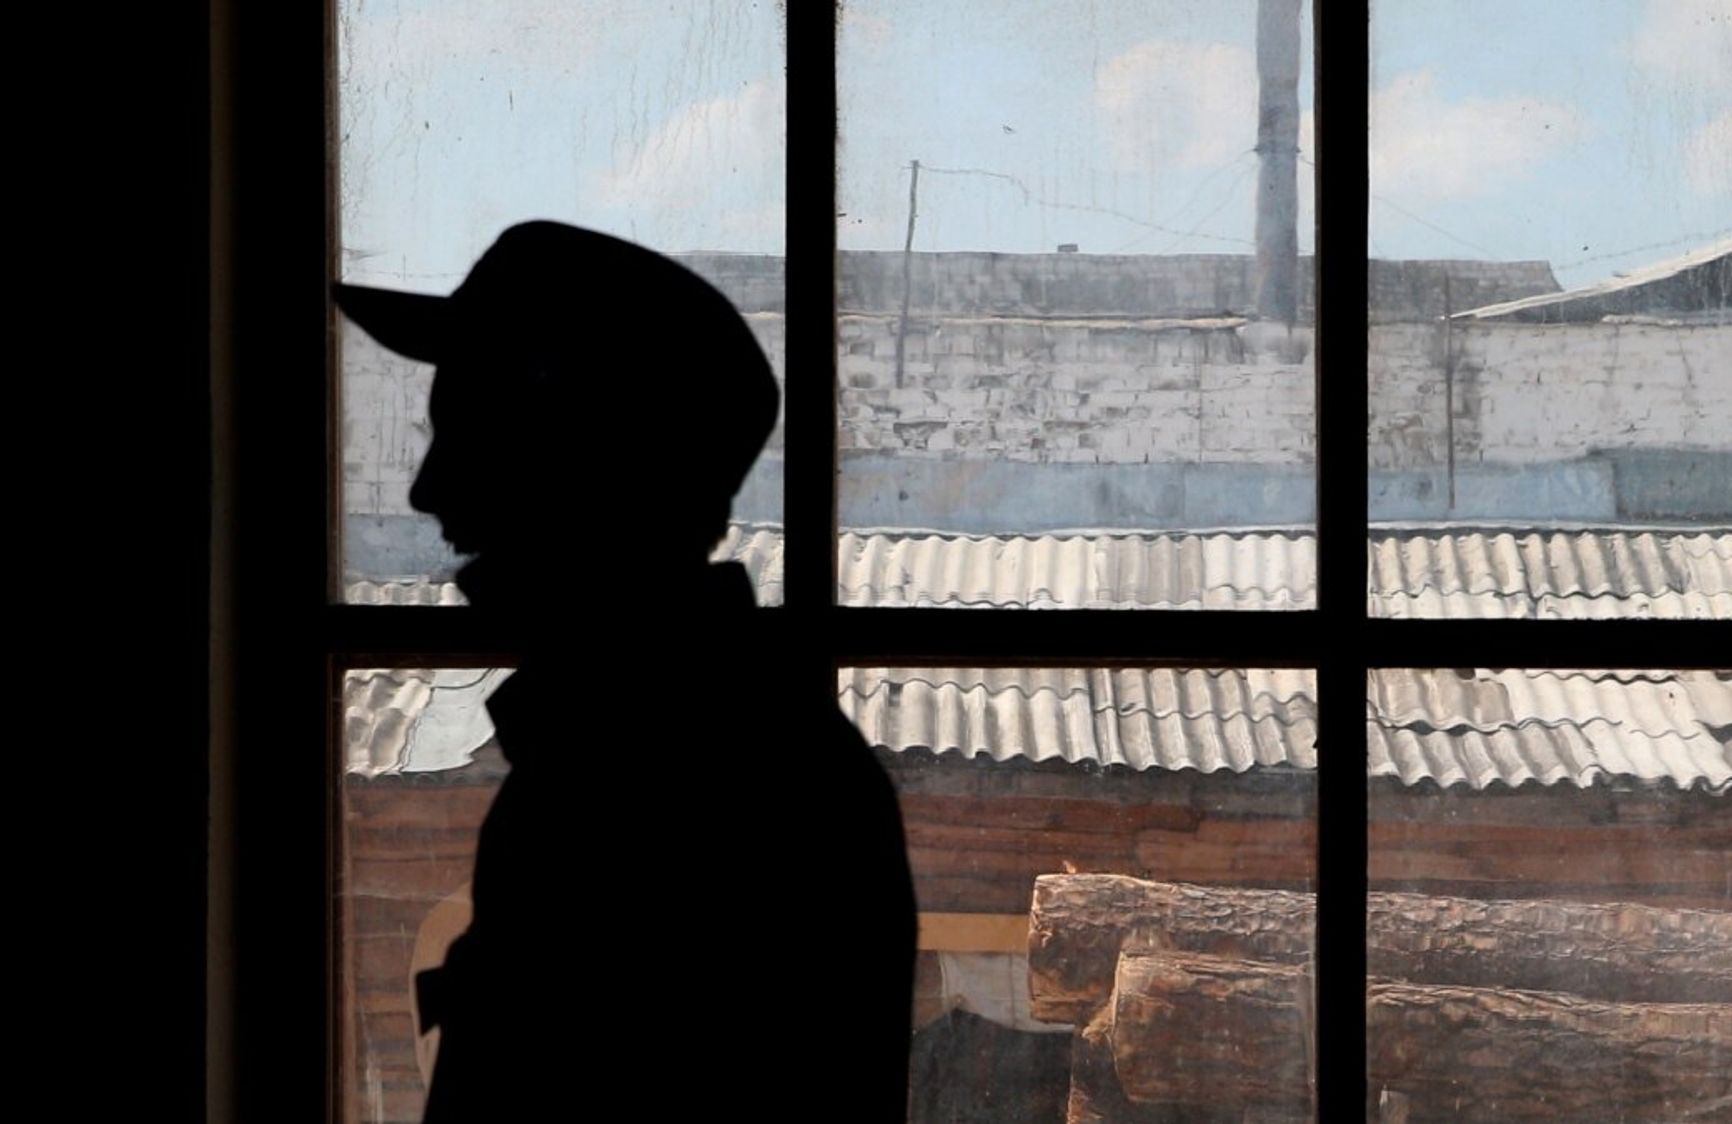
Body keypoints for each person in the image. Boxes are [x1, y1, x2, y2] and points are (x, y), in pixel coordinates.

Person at [335, 221, 918, 1120]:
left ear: (587, 465)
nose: (427, 489)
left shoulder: (665, 787)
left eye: (471, 435)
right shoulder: (689, 755)